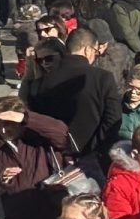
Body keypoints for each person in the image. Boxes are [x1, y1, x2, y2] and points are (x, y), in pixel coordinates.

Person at [23, 29, 124, 168]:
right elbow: (113, 118)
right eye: (95, 51)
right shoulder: (102, 77)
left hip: (53, 156)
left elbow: (37, 119)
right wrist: (95, 146)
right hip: (93, 156)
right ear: (88, 49)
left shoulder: (41, 81)